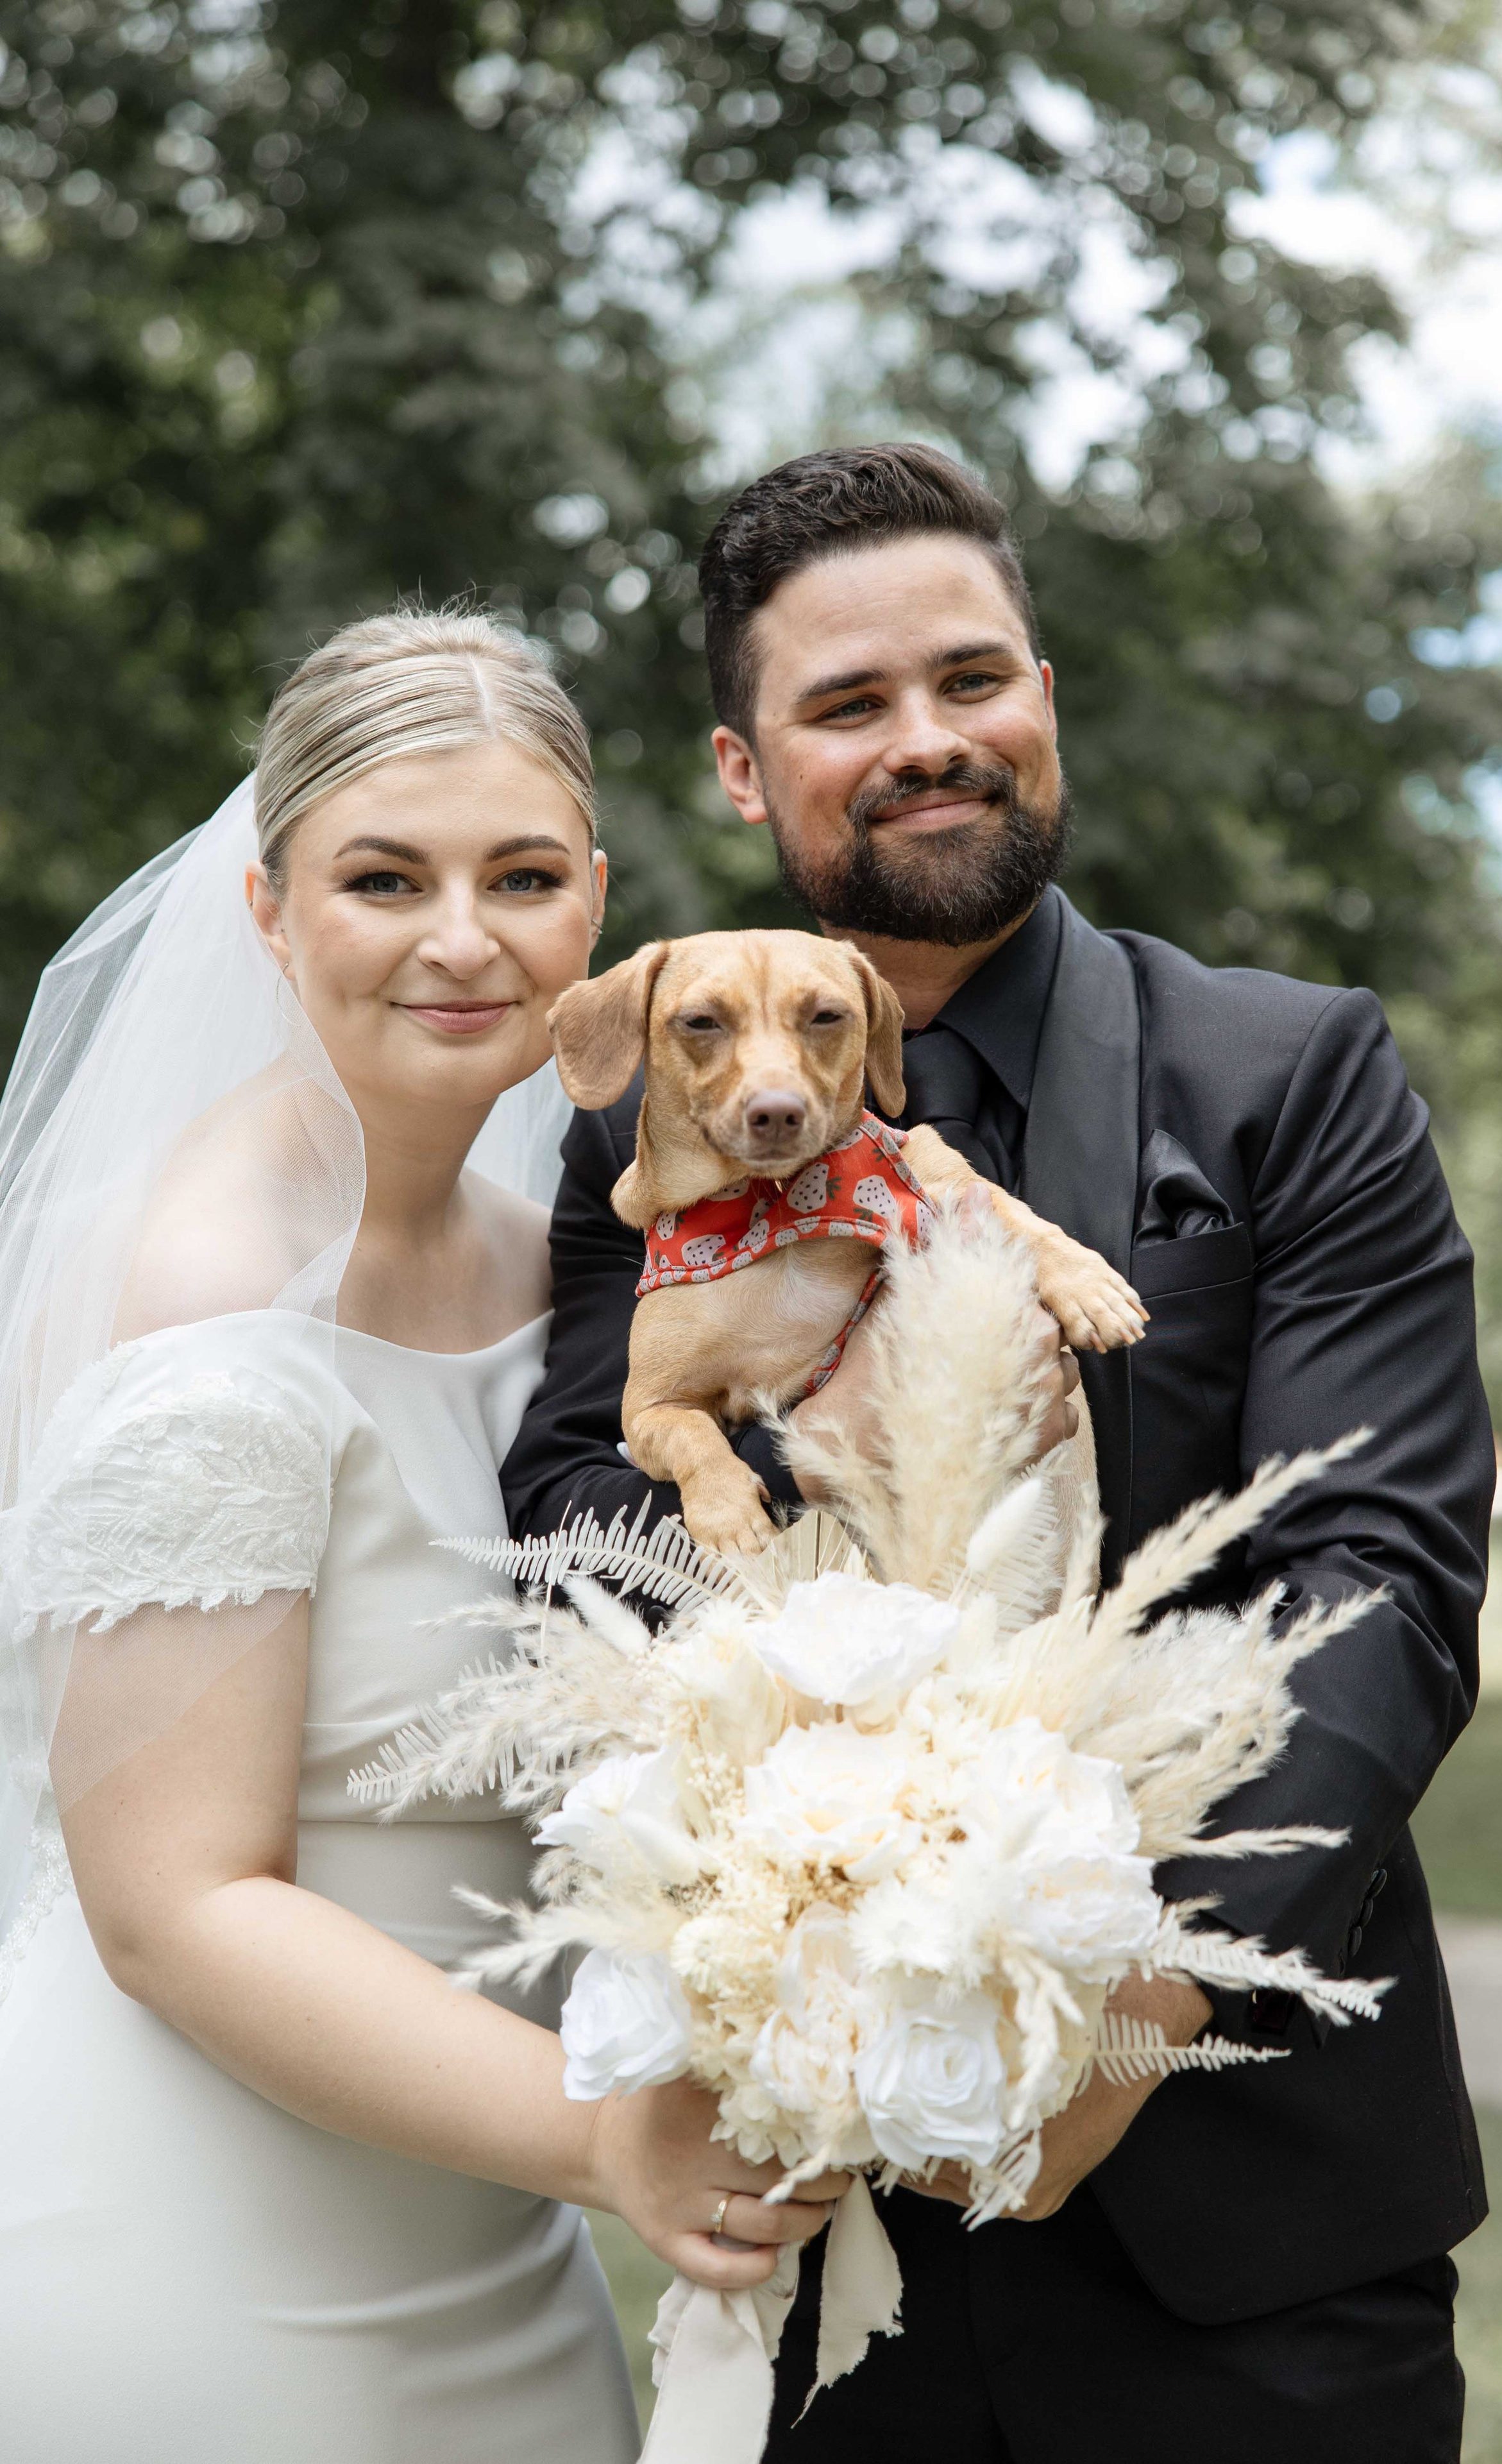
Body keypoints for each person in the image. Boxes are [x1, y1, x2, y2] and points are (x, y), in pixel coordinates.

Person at [501, 448, 1492, 2463]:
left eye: (971, 679)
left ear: (1042, 694)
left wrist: (1136, 2013)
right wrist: (821, 1787)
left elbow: (1377, 1580)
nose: (928, 739)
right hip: (812, 2193)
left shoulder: (1289, 1073)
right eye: (848, 703)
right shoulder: (642, 1130)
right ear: (743, 767)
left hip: (1248, 2220)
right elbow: (579, 1512)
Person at [0, 609, 844, 2463]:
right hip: (195, 2268)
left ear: (594, 906)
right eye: (384, 880)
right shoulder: (211, 1296)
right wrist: (607, 2137)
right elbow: (172, 1906)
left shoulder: (565, 1269)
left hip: (492, 2248)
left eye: (523, 878)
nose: (464, 940)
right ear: (268, 911)